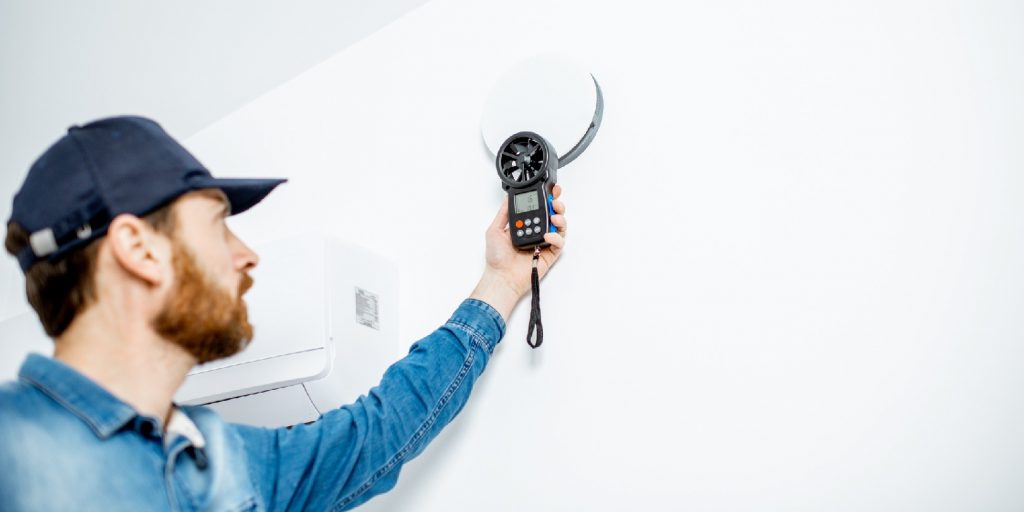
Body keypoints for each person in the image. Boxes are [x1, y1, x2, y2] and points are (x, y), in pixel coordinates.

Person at [0, 116, 568, 510]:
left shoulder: (226, 463)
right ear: (139, 249)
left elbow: (380, 430)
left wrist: (501, 282)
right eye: (218, 224)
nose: (247, 256)